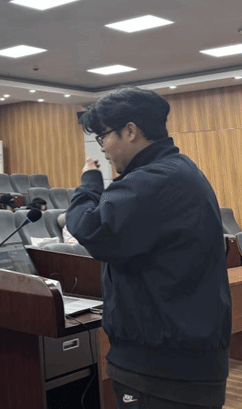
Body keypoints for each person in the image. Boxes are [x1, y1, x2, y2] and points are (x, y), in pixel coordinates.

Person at [67, 87, 229, 408]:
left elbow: (91, 227)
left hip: (161, 369)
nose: (103, 149)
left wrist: (89, 184)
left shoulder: (150, 181)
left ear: (131, 131)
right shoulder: (178, 170)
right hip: (182, 359)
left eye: (103, 136)